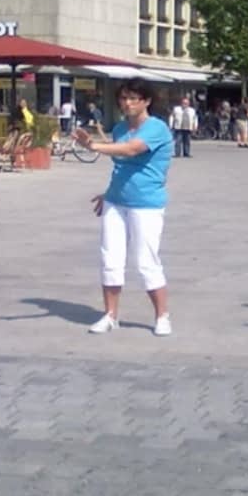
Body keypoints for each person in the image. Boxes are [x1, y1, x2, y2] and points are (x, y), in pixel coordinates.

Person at [73, 79, 174, 337]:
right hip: (116, 202)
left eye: (133, 99)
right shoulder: (119, 128)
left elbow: (132, 150)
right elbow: (120, 167)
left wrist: (94, 146)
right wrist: (107, 194)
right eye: (123, 99)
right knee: (110, 257)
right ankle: (110, 315)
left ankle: (162, 316)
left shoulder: (157, 128)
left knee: (145, 261)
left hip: (147, 203)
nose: (127, 104)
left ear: (146, 101)